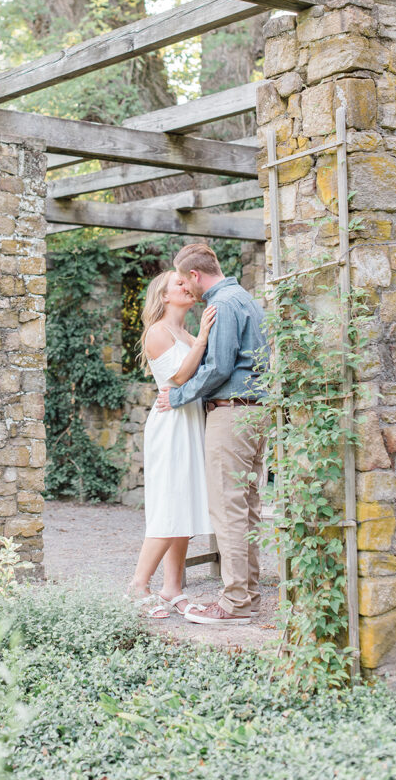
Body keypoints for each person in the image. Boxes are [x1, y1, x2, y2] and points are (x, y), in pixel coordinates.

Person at [156, 243, 268, 625]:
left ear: (196, 275)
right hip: (256, 413)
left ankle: (234, 603)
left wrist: (179, 395)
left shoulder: (220, 304)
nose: (188, 289)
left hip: (232, 414)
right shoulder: (248, 299)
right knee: (247, 508)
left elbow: (219, 367)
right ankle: (248, 595)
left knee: (229, 509)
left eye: (187, 281)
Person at [128, 270, 216, 618]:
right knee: (169, 504)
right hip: (171, 425)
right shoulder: (158, 332)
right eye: (178, 284)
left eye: (187, 282)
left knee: (186, 506)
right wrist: (204, 339)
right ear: (164, 296)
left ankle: (172, 589)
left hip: (191, 419)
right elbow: (179, 377)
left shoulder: (186, 333)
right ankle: (138, 585)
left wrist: (199, 339)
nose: (186, 286)